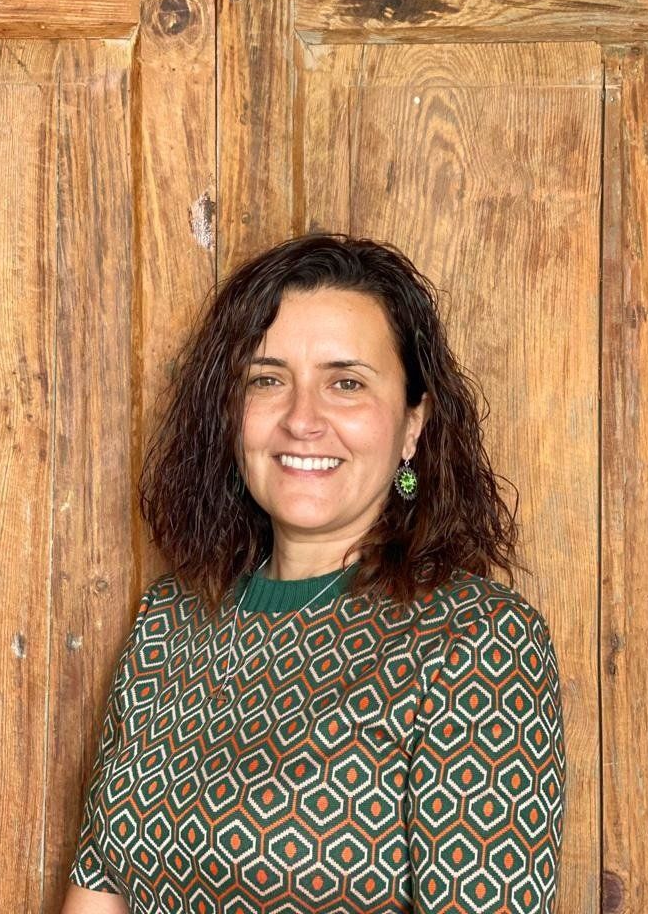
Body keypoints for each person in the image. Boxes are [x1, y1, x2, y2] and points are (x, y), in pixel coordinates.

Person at [62, 233, 566, 914]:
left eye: (346, 383)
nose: (302, 420)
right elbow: (99, 884)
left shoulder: (478, 642)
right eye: (267, 379)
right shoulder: (168, 621)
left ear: (412, 425)